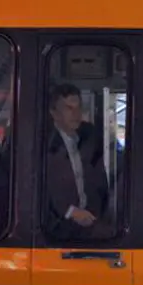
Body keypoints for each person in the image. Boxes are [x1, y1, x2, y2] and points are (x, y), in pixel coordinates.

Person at [45, 83, 110, 239]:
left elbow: (99, 178)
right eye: (69, 108)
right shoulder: (44, 143)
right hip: (55, 228)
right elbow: (36, 188)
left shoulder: (89, 136)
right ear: (54, 113)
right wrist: (70, 212)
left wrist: (98, 213)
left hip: (90, 224)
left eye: (79, 107)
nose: (76, 114)